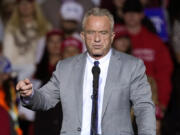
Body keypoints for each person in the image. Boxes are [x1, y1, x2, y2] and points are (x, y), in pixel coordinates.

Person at [16, 8, 156, 135]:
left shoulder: (131, 66)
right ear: (83, 36)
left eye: (103, 32)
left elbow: (144, 107)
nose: (96, 39)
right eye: (91, 32)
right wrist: (30, 94)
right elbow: (45, 99)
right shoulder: (65, 67)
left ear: (112, 36)